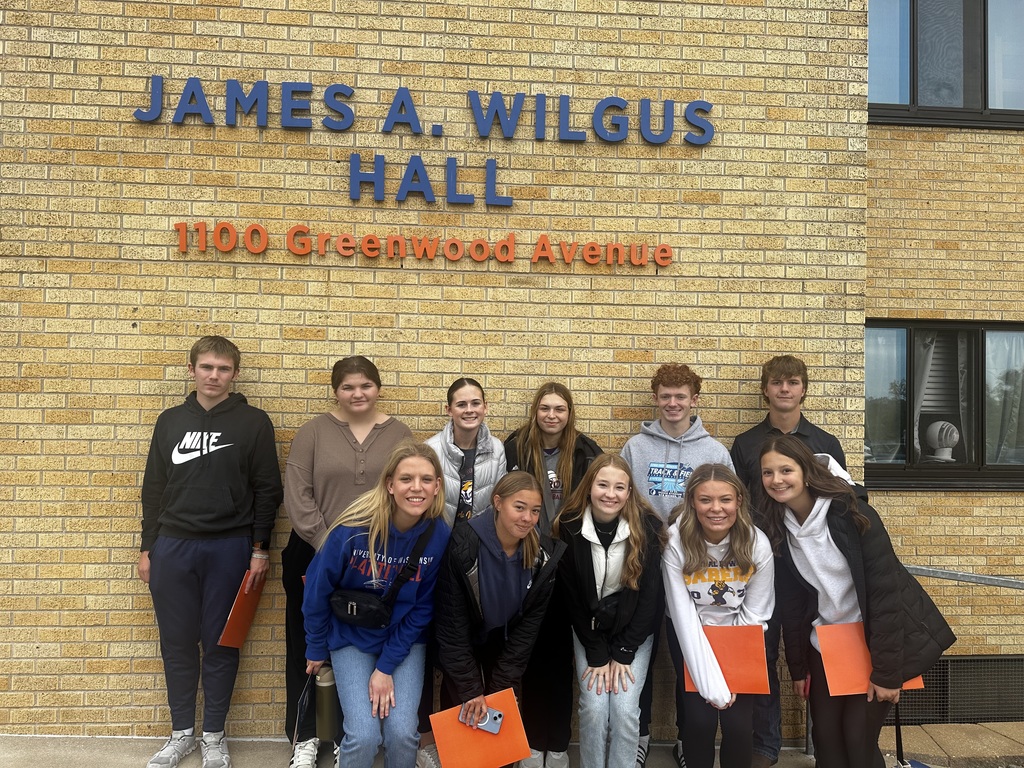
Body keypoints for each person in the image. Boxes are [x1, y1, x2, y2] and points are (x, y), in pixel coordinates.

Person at [759, 435, 955, 768]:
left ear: (806, 471)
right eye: (767, 473)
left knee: (857, 739)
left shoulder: (853, 513)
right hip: (829, 644)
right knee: (827, 742)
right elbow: (792, 607)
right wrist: (799, 667)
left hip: (874, 642)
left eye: (785, 470)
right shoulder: (778, 527)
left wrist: (888, 674)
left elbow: (886, 596)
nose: (776, 480)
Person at [139, 335, 284, 768]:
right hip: (173, 548)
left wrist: (260, 549)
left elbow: (267, 491)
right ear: (192, 370)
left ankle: (214, 737)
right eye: (207, 367)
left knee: (222, 644)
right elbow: (153, 490)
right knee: (177, 643)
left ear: (234, 373)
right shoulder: (169, 421)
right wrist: (149, 547)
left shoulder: (254, 422)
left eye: (223, 369)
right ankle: (181, 733)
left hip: (230, 549)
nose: (214, 376)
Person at [282, 356, 412, 767]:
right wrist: (329, 545)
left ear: (378, 388)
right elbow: (297, 492)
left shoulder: (399, 433)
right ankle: (305, 736)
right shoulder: (314, 432)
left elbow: (409, 487)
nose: (358, 394)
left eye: (366, 386)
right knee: (307, 643)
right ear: (335, 391)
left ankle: (348, 737)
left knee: (363, 639)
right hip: (315, 549)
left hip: (380, 556)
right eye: (348, 387)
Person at [303, 440, 451, 768]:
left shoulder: (437, 534)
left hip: (402, 639)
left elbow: (423, 608)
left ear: (438, 486)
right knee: (364, 734)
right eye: (406, 479)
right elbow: (317, 590)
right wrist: (315, 646)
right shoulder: (353, 529)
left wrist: (386, 667)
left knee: (402, 733)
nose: (417, 488)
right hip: (351, 635)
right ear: (389, 485)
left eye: (426, 479)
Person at [730, 355, 847, 768]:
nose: (784, 389)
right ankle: (765, 746)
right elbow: (736, 508)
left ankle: (830, 742)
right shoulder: (745, 444)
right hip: (763, 565)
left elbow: (840, 511)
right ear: (765, 389)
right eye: (777, 383)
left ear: (803, 388)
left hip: (812, 570)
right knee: (761, 651)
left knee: (815, 650)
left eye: (792, 382)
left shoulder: (826, 444)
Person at [620, 363, 732, 767]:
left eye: (680, 396)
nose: (672, 403)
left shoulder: (715, 452)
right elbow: (624, 502)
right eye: (665, 396)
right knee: (641, 653)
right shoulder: (635, 448)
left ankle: (691, 739)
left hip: (696, 568)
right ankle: (640, 735)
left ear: (694, 400)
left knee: (690, 651)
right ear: (656, 398)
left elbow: (728, 508)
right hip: (644, 564)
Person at [504, 382, 602, 768]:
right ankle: (529, 744)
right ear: (535, 410)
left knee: (560, 660)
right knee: (527, 656)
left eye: (559, 409)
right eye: (545, 408)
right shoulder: (515, 447)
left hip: (567, 563)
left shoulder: (584, 450)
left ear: (569, 413)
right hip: (524, 560)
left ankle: (557, 745)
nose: (551, 415)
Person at [434, 472, 567, 745]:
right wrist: (471, 691)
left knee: (500, 729)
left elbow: (526, 632)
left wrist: (499, 690)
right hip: (464, 643)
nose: (527, 518)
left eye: (534, 511)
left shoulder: (543, 556)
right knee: (464, 727)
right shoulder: (463, 544)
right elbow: (452, 628)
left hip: (504, 646)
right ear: (497, 502)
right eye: (519, 507)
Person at [553, 455, 664, 768]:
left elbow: (650, 599)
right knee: (594, 707)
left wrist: (625, 650)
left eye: (619, 487)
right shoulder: (570, 528)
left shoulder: (648, 529)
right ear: (589, 488)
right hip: (589, 631)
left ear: (629, 492)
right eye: (603, 485)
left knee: (626, 710)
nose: (610, 494)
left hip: (634, 632)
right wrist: (598, 652)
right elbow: (572, 599)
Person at [662, 464, 775, 768]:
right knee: (699, 723)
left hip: (741, 635)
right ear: (691, 502)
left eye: (725, 499)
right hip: (691, 635)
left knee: (738, 727)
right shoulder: (675, 542)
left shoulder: (757, 543)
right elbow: (682, 614)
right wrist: (710, 682)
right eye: (705, 500)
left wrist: (733, 672)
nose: (716, 509)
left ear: (739, 500)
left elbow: (756, 612)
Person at [427, 377, 506, 526]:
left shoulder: (497, 449)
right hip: (440, 538)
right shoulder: (431, 450)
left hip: (478, 539)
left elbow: (500, 499)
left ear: (485, 407)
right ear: (449, 410)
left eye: (475, 403)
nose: (469, 410)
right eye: (461, 405)